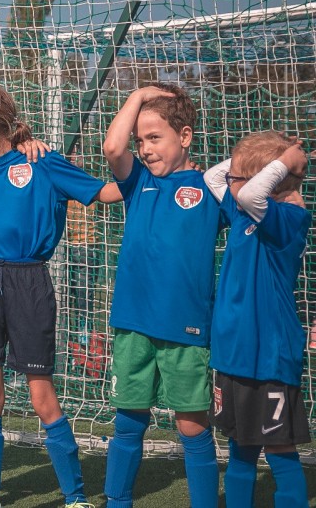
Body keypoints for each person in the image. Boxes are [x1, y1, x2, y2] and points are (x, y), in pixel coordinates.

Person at [0, 83, 118, 508]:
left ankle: (75, 496)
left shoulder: (42, 162)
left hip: (29, 283)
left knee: (43, 399)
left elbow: (100, 192)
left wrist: (153, 179)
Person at [101, 83, 225, 508]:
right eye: (142, 140)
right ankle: (118, 501)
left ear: (185, 136)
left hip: (187, 328)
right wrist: (137, 96)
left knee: (191, 425)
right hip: (133, 323)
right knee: (129, 421)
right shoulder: (137, 182)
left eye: (155, 138)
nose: (146, 149)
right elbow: (112, 147)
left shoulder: (212, 187)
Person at [202, 132, 311, 508]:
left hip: (269, 357)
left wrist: (284, 164)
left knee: (280, 449)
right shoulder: (243, 211)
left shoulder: (290, 218)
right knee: (240, 448)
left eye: (242, 178)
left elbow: (249, 193)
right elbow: (213, 179)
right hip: (231, 354)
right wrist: (248, 160)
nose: (233, 183)